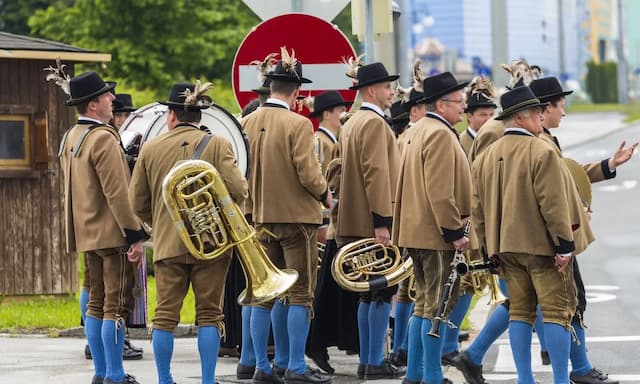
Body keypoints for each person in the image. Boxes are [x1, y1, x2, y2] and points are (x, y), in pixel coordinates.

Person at [128, 81, 249, 384]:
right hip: (212, 245)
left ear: (171, 115)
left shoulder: (151, 148)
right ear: (199, 116)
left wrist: (160, 221)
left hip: (169, 244)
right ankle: (207, 380)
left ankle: (164, 379)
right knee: (210, 315)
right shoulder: (219, 144)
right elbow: (240, 190)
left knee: (165, 315)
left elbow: (135, 202)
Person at [530, 76, 635, 384]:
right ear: (545, 108)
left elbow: (569, 174)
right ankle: (578, 370)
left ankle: (578, 368)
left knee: (554, 304)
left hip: (550, 236)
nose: (564, 112)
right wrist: (568, 229)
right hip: (554, 238)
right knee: (565, 304)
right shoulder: (540, 141)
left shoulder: (545, 138)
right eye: (561, 106)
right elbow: (553, 193)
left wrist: (609, 163)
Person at [472, 85, 579, 384]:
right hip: (541, 247)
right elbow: (553, 205)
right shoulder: (540, 150)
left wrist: (488, 252)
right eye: (535, 112)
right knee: (557, 312)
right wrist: (564, 245)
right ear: (519, 117)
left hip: (503, 248)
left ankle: (524, 379)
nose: (541, 117)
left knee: (520, 311)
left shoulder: (485, 157)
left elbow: (477, 210)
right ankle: (560, 379)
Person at [242, 47, 332, 384]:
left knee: (264, 294)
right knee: (300, 294)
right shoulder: (298, 124)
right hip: (297, 219)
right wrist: (326, 196)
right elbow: (308, 174)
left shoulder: (247, 121)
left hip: (259, 217)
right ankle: (294, 365)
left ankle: (262, 368)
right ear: (295, 92)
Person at [54, 70, 147, 384]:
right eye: (107, 95)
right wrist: (135, 233)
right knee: (116, 306)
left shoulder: (71, 136)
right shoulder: (104, 138)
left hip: (86, 232)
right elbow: (117, 192)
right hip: (113, 233)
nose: (112, 99)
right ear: (93, 105)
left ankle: (100, 373)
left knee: (95, 302)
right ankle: (116, 375)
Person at [392, 71, 471, 384]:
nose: (462, 107)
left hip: (417, 230)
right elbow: (440, 189)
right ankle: (432, 375)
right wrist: (454, 231)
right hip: (436, 233)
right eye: (459, 101)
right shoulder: (439, 133)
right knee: (437, 305)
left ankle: (415, 372)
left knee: (422, 304)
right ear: (442, 103)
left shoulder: (417, 129)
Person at [336, 61, 403, 380]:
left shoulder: (351, 121)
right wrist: (383, 221)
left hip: (351, 219)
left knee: (366, 292)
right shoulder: (375, 123)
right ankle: (375, 360)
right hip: (371, 221)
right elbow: (376, 174)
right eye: (387, 87)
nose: (391, 92)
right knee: (381, 290)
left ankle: (367, 359)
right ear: (373, 90)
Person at [439, 76, 498, 367]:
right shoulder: (460, 140)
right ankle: (448, 343)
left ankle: (450, 340)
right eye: (482, 115)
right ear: (469, 116)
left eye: (491, 114)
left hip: (484, 220)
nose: (487, 119)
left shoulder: (495, 139)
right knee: (462, 285)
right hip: (465, 221)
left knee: (474, 284)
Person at [305, 90, 358, 374]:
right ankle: (317, 342)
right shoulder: (320, 141)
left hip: (335, 220)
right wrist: (323, 221)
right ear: (327, 114)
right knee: (323, 287)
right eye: (339, 111)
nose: (343, 116)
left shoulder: (333, 139)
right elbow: (320, 183)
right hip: (327, 221)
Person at [389, 61, 427, 368]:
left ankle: (401, 346)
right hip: (416, 221)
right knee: (415, 291)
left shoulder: (410, 136)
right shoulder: (412, 137)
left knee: (407, 288)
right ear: (414, 110)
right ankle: (404, 348)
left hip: (405, 220)